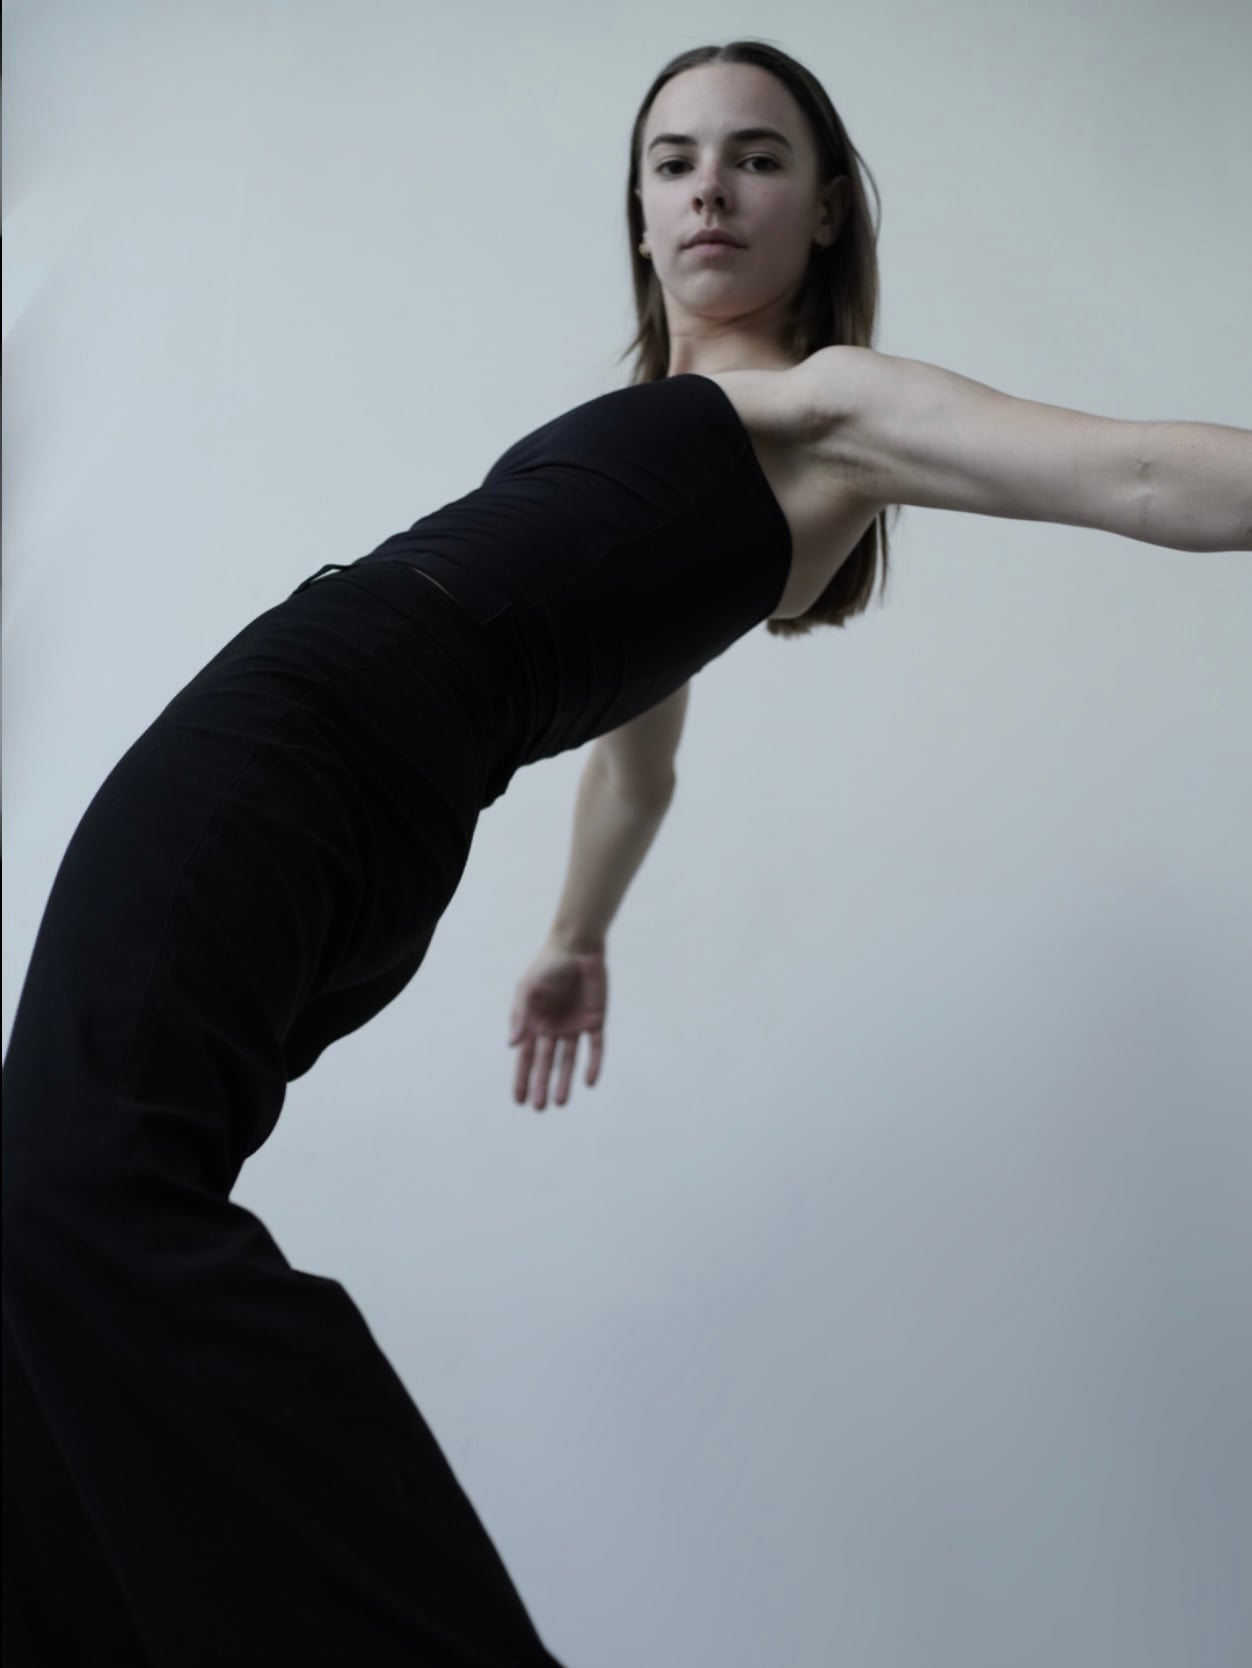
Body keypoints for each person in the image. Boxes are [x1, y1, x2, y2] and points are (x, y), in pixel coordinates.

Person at [3, 37, 1247, 1668]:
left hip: (303, 743)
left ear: (827, 211)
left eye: (756, 157)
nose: (709, 189)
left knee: (73, 1185)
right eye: (674, 162)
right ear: (641, 215)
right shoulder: (669, 450)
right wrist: (578, 935)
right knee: (46, 1231)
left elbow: (1142, 471)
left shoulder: (824, 408)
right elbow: (637, 760)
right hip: (369, 790)